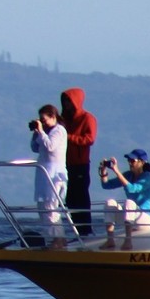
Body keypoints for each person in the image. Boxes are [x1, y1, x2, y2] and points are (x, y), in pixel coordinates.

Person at [99, 148, 150, 250]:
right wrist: (103, 171)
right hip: (130, 217)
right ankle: (110, 240)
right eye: (129, 160)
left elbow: (132, 189)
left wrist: (116, 170)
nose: (130, 163)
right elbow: (106, 185)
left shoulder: (148, 177)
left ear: (142, 162)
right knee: (109, 202)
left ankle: (128, 241)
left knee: (129, 202)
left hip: (143, 218)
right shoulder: (129, 175)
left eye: (132, 161)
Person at [60, 88, 97, 236]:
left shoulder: (87, 118)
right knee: (69, 199)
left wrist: (69, 137)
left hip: (80, 164)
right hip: (65, 164)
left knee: (81, 197)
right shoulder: (63, 120)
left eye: (69, 101)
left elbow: (90, 139)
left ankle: (86, 230)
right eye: (65, 101)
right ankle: (78, 231)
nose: (66, 104)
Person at [30, 104, 68, 248]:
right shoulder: (46, 132)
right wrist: (36, 132)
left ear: (53, 117)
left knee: (50, 206)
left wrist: (41, 131)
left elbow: (50, 146)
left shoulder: (59, 131)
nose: (43, 123)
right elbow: (35, 147)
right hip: (44, 174)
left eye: (44, 120)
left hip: (54, 175)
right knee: (44, 206)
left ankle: (58, 239)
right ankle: (57, 239)